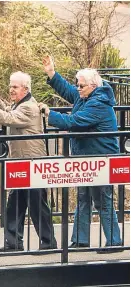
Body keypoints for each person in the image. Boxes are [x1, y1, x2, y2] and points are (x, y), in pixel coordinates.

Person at [39, 55, 122, 253]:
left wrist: (50, 114)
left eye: (81, 85)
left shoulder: (98, 104)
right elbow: (68, 90)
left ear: (93, 86)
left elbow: (73, 122)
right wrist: (52, 73)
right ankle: (80, 239)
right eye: (78, 84)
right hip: (87, 158)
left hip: (101, 159)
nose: (77, 88)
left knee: (102, 200)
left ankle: (114, 241)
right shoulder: (86, 96)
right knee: (83, 198)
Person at [0, 71, 57, 251]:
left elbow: (9, 118)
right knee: (14, 204)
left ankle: (48, 243)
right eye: (10, 86)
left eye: (15, 87)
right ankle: (13, 242)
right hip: (20, 162)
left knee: (37, 205)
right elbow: (9, 111)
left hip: (32, 163)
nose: (11, 89)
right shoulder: (21, 104)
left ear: (26, 89)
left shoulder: (28, 107)